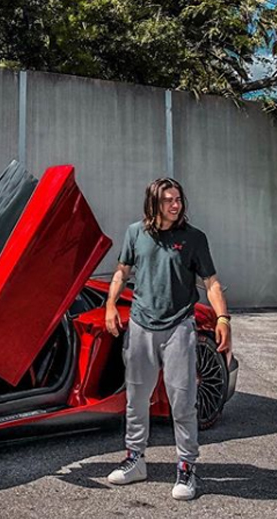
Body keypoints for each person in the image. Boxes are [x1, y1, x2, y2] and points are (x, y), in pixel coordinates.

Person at [104, 177, 232, 501]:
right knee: (136, 399)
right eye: (168, 200)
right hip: (141, 326)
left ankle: (186, 467)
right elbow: (121, 272)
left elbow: (212, 282)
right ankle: (135, 460)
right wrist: (110, 305)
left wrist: (223, 318)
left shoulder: (194, 238)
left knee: (183, 401)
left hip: (179, 327)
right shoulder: (135, 233)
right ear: (153, 203)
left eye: (178, 199)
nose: (176, 205)